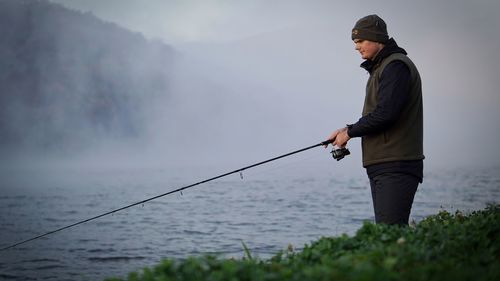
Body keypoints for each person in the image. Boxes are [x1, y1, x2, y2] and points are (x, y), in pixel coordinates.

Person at [326, 14, 424, 225]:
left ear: (376, 38)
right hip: (384, 164)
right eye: (355, 42)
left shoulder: (395, 66)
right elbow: (381, 113)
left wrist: (350, 133)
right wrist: (347, 129)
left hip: (396, 164)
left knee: (390, 234)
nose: (356, 47)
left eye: (360, 41)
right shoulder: (382, 67)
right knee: (386, 234)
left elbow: (386, 114)